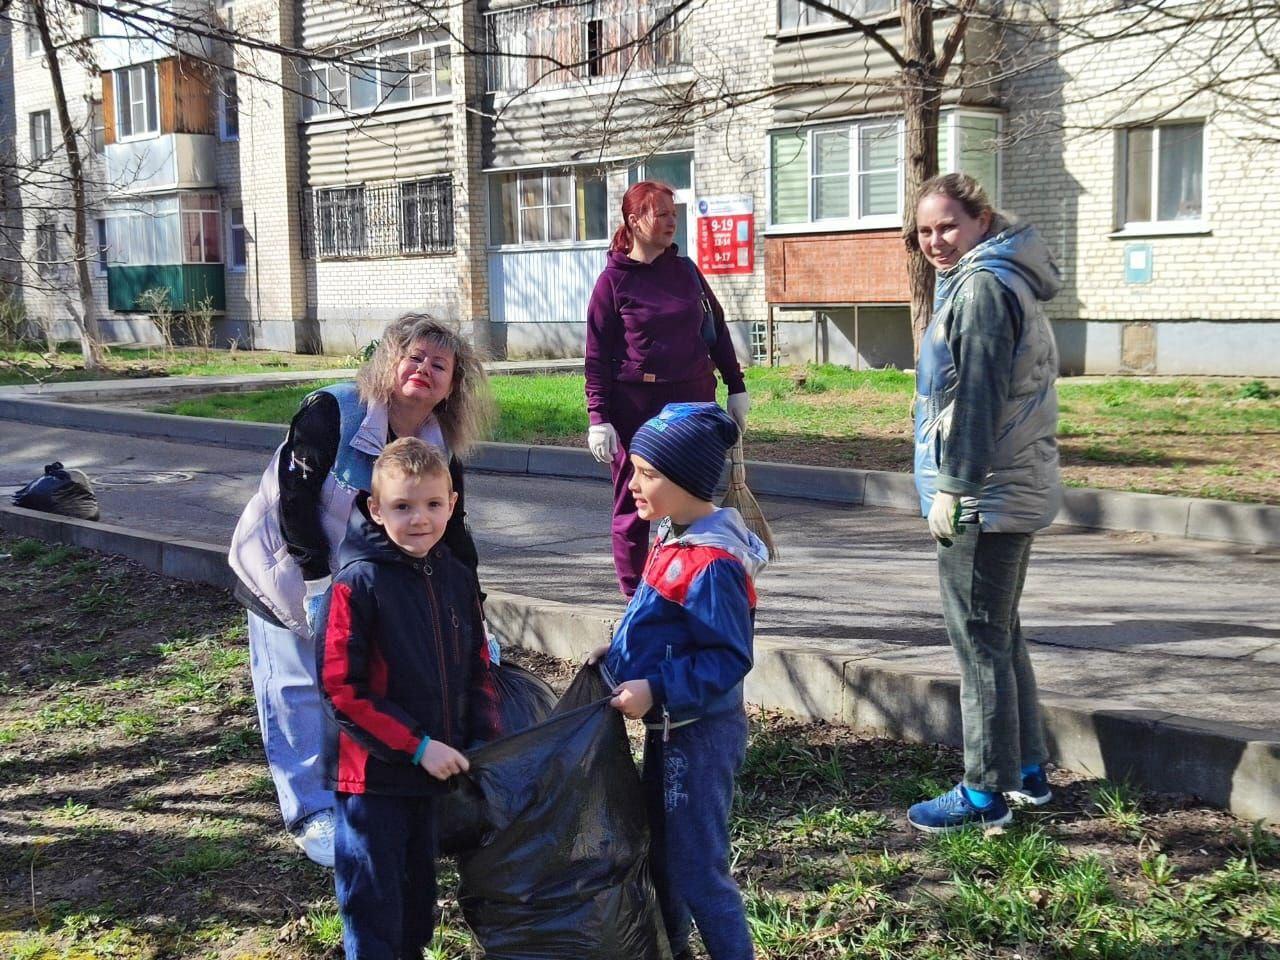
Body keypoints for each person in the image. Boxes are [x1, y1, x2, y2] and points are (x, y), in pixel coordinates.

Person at [228, 314, 491, 867]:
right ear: (388, 361)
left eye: (439, 365)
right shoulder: (335, 410)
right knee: (296, 687)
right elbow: (293, 501)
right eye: (413, 357)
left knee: (352, 686)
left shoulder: (437, 448)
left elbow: (454, 534)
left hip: (356, 583)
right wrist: (317, 581)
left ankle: (352, 794)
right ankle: (309, 811)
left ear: (453, 386)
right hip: (282, 568)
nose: (424, 370)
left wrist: (474, 612)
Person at [905, 173, 1063, 834]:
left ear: (979, 222)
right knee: (999, 633)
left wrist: (954, 488)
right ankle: (1025, 771)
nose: (936, 241)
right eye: (925, 230)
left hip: (984, 494)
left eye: (948, 226)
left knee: (977, 643)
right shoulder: (999, 278)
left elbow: (975, 399)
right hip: (1008, 485)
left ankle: (983, 791)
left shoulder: (982, 289)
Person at [589, 402, 768, 960]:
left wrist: (656, 690)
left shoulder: (712, 562)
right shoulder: (674, 534)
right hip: (672, 731)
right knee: (662, 856)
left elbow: (726, 659)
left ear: (688, 481)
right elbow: (657, 619)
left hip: (701, 736)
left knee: (698, 868)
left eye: (648, 474)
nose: (633, 484)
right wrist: (617, 655)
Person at [316, 438, 500, 960]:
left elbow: (478, 664)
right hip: (373, 778)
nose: (419, 519)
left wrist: (485, 736)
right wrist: (417, 745)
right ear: (375, 509)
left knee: (418, 898)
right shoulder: (358, 583)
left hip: (432, 771)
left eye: (433, 504)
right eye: (402, 506)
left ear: (453, 503)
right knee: (375, 901)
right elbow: (340, 690)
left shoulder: (455, 577)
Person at [585, 180, 750, 598]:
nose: (670, 222)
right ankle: (638, 597)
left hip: (694, 400)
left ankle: (689, 584)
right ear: (634, 220)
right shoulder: (613, 282)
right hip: (637, 407)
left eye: (673, 214)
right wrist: (598, 417)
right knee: (636, 500)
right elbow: (596, 356)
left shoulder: (686, 271)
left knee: (692, 496)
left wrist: (735, 385)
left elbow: (716, 330)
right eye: (660, 214)